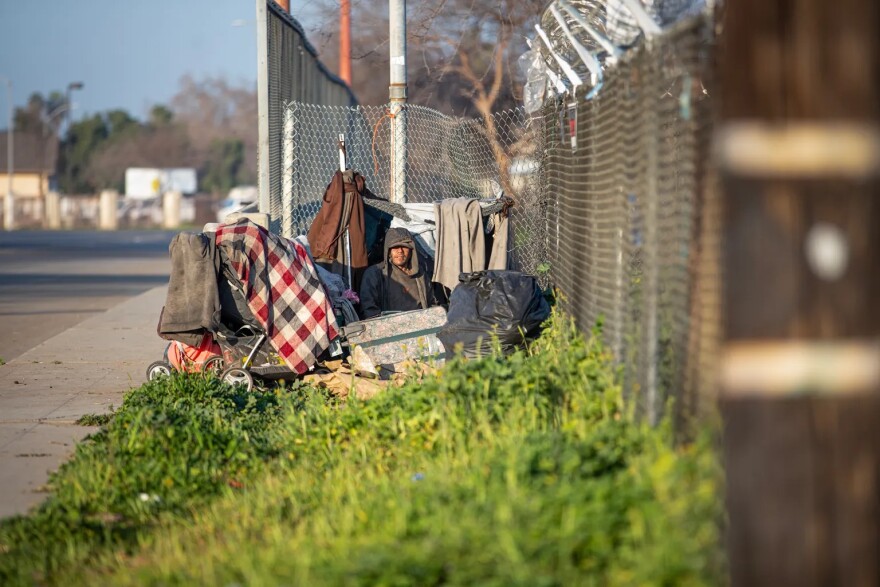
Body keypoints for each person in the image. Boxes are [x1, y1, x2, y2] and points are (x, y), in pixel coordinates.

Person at [359, 227, 443, 318]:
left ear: (411, 250)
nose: (400, 251)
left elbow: (432, 304)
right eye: (395, 247)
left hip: (420, 325)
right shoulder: (375, 274)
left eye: (404, 246)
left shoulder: (420, 274)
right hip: (389, 327)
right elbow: (369, 309)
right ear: (388, 251)